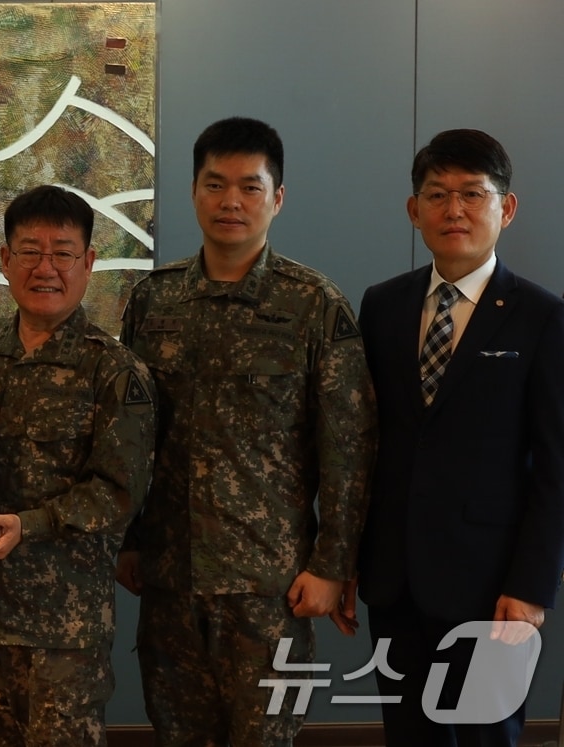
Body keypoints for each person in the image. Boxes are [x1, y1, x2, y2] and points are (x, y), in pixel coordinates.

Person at [117, 116, 377, 745]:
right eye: (215, 184)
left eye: (250, 187)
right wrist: (127, 540)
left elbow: (350, 445)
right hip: (171, 580)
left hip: (271, 586)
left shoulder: (314, 304)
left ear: (276, 198)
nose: (231, 201)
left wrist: (333, 563)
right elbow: (126, 438)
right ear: (194, 192)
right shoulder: (154, 301)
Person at [0, 185, 156, 745]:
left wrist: (32, 524)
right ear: (5, 261)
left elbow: (119, 492)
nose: (45, 268)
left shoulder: (116, 371)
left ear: (88, 263)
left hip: (63, 633)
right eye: (29, 251)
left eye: (63, 253)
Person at [355, 128, 564, 746]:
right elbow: (366, 444)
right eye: (438, 194)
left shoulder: (543, 316)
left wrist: (530, 587)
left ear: (507, 206)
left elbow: (556, 465)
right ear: (413, 209)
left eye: (473, 193)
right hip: (395, 576)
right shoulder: (383, 305)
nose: (455, 210)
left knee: (485, 735)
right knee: (410, 735)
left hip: (492, 585)